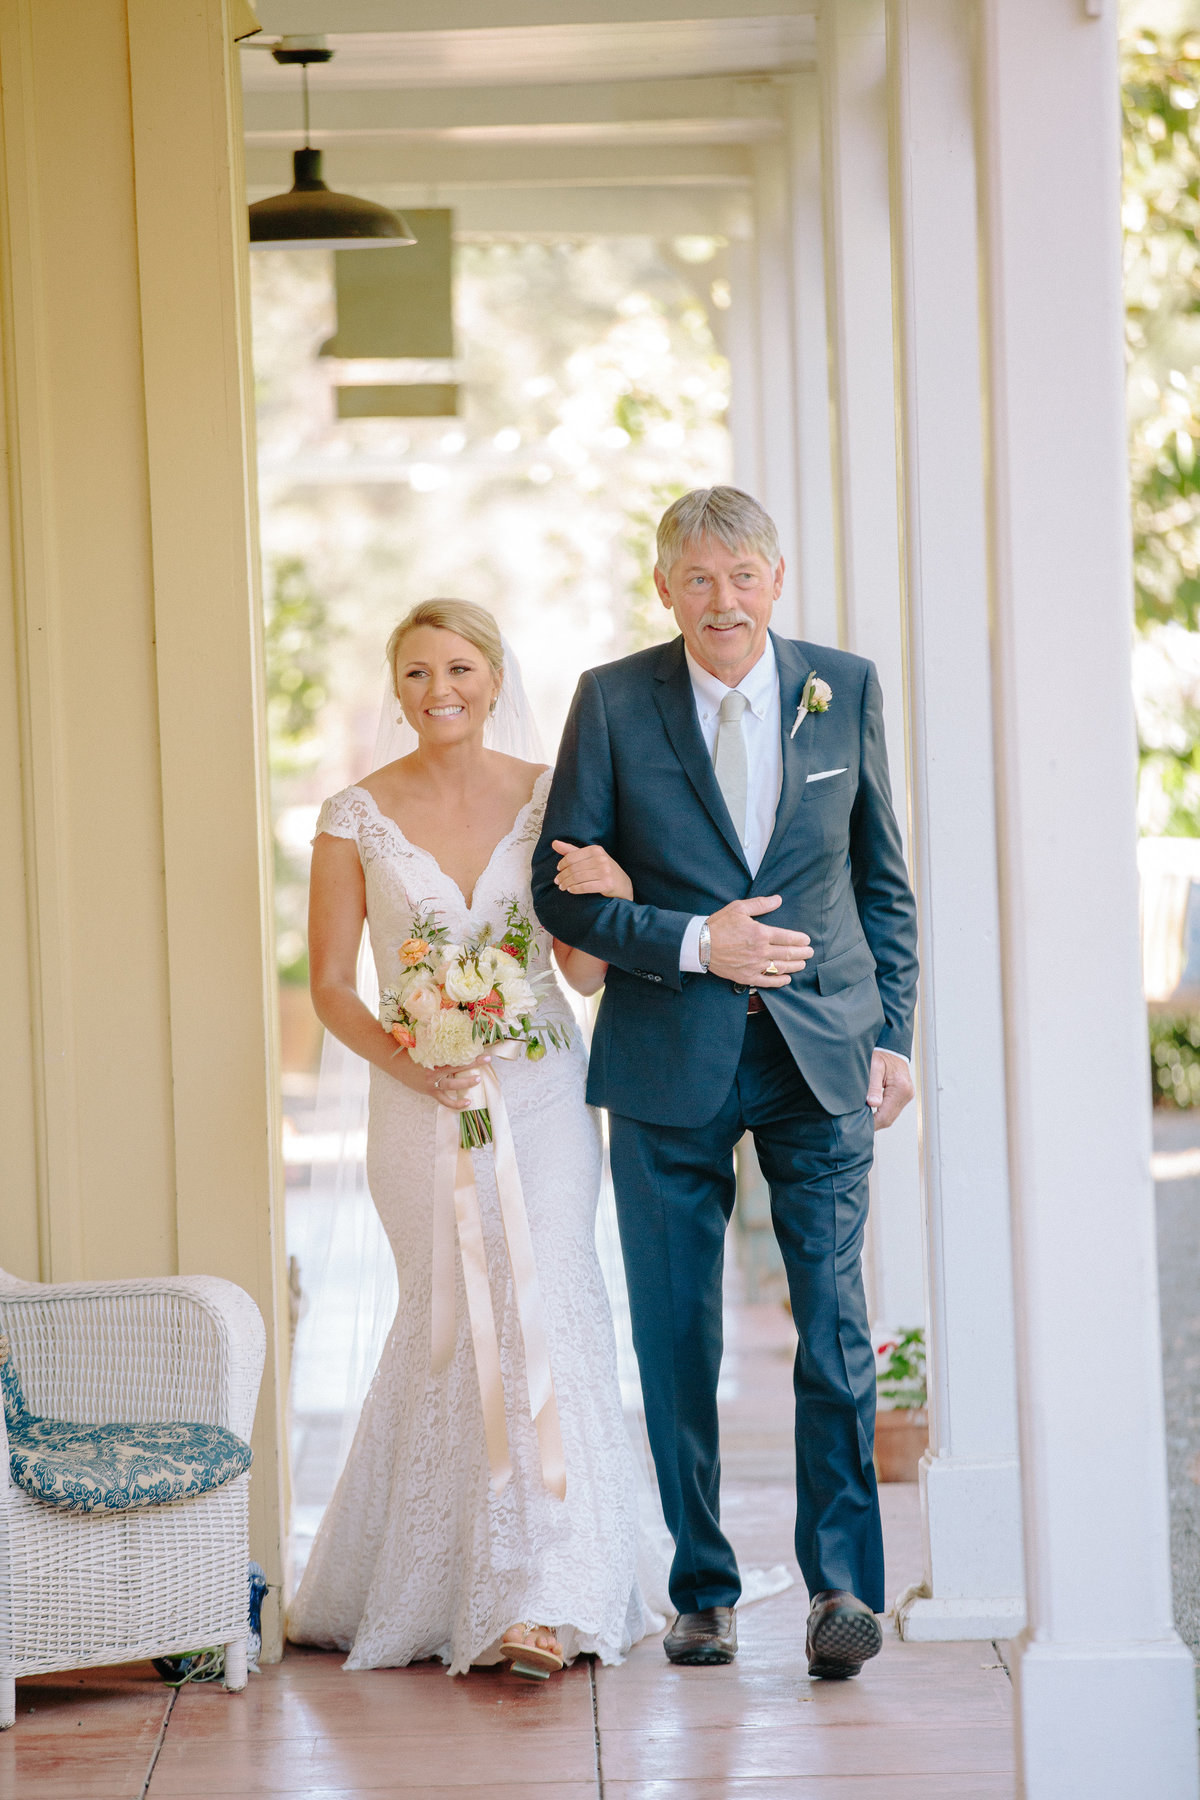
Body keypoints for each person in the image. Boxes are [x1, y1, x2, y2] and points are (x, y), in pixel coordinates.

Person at [532, 486, 919, 1681]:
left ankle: (841, 1587)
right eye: (698, 579)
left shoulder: (842, 687)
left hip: (823, 1054)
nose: (723, 600)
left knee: (838, 1330)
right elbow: (564, 895)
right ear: (665, 591)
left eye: (742, 575)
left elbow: (882, 882)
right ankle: (702, 1586)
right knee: (677, 1330)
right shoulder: (610, 700)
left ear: (777, 579)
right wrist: (699, 940)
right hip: (666, 1058)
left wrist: (895, 1034)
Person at [289, 597, 662, 1678]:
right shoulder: (350, 818)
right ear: (393, 688)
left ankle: (551, 1590)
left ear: (494, 679)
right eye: (414, 672)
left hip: (540, 1091)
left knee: (545, 1301)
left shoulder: (555, 798)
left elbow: (582, 972)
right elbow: (327, 987)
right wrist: (419, 1062)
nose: (437, 689)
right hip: (417, 1105)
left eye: (457, 668)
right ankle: (442, 1573)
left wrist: (619, 893)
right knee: (450, 1317)